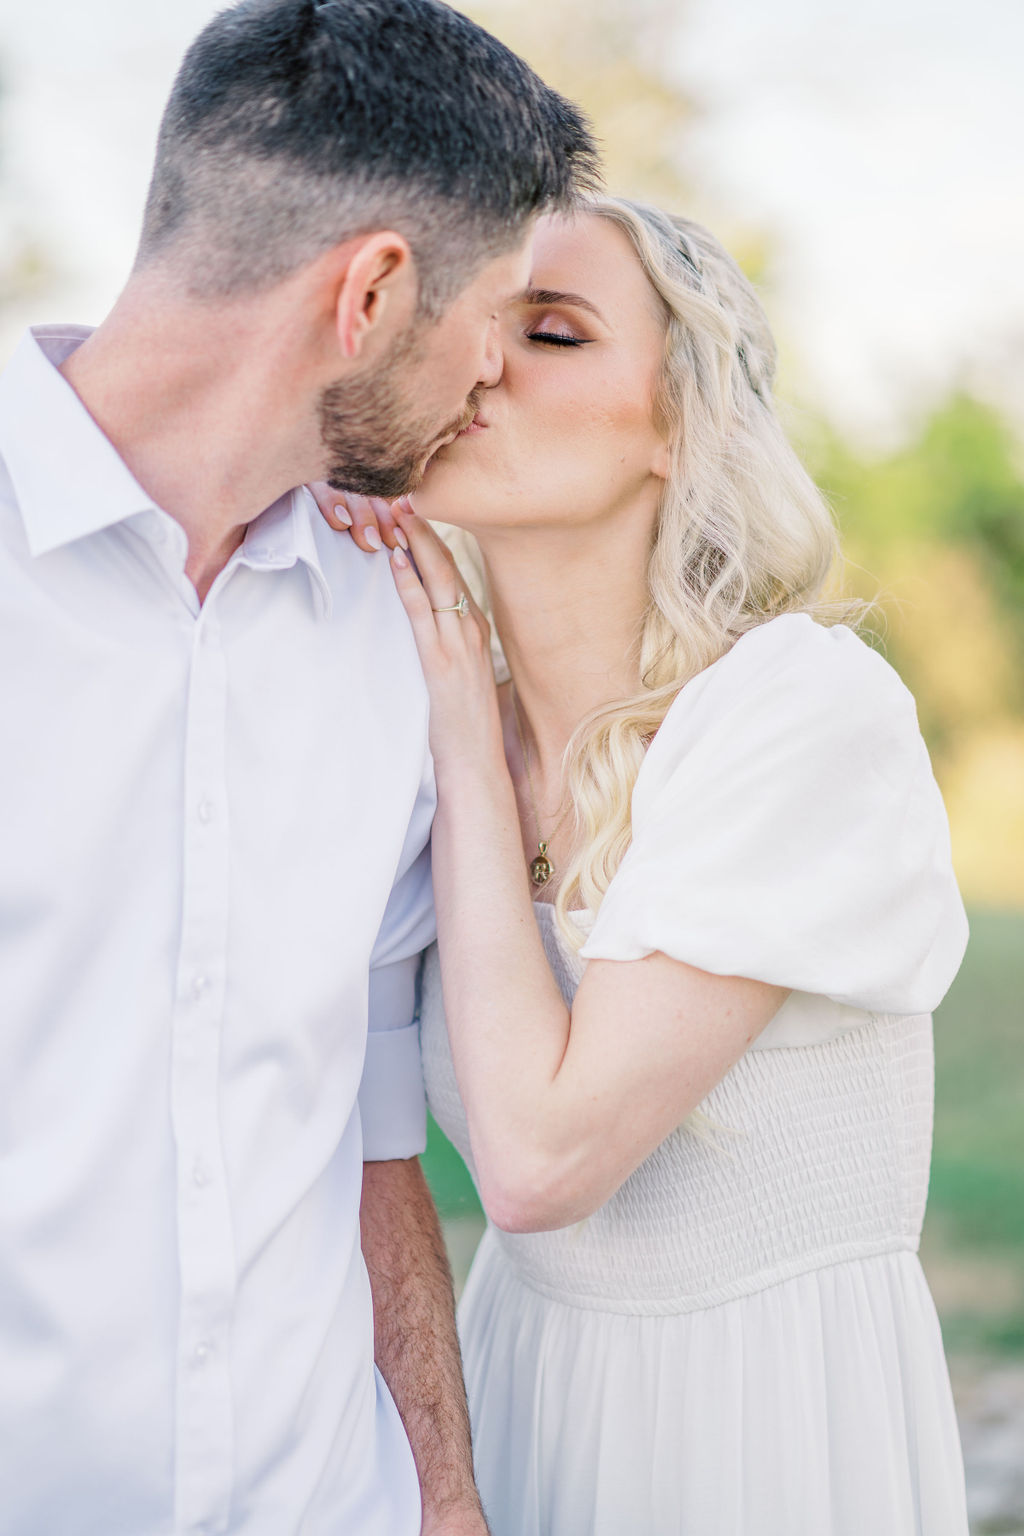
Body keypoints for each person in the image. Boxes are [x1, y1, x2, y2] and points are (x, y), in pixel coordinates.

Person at [0, 3, 598, 1533]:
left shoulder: (393, 637)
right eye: (500, 319)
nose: (493, 381)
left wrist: (447, 1498)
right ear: (376, 289)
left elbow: (372, 1142)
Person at [319, 198, 971, 1534]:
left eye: (552, 332)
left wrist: (458, 740)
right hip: (518, 1401)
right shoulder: (426, 721)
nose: (483, 362)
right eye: (473, 322)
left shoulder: (800, 712)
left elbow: (542, 1163)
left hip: (755, 1434)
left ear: (681, 428)